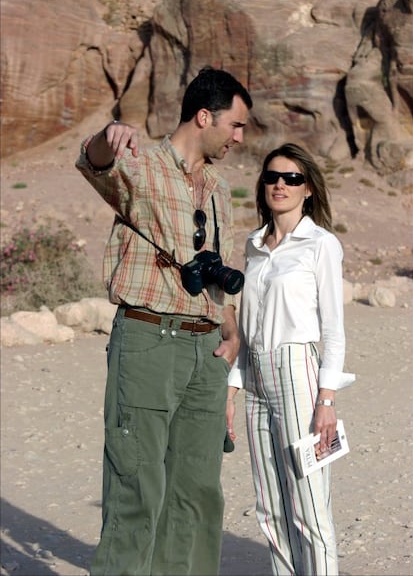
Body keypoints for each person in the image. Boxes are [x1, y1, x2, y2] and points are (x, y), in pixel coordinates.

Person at [75, 67, 252, 576]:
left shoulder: (218, 187)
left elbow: (215, 269)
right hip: (150, 340)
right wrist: (109, 136)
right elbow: (93, 164)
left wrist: (231, 329)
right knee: (137, 487)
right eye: (235, 126)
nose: (239, 138)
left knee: (197, 493)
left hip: (206, 352)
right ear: (204, 116)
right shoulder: (141, 165)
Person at [226, 143, 355, 576]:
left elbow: (334, 329)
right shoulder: (253, 245)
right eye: (272, 177)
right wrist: (232, 386)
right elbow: (246, 326)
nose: (280, 185)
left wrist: (327, 400)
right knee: (269, 508)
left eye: (292, 178)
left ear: (308, 190)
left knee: (309, 506)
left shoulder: (321, 244)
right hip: (257, 378)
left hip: (300, 374)